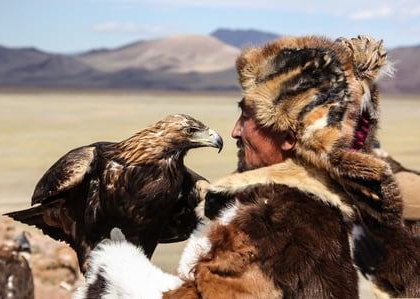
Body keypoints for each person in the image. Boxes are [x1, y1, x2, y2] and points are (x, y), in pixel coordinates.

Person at [74, 35, 419, 298]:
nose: (235, 130)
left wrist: (116, 270)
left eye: (247, 115)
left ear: (289, 134)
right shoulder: (368, 200)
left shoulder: (270, 226)